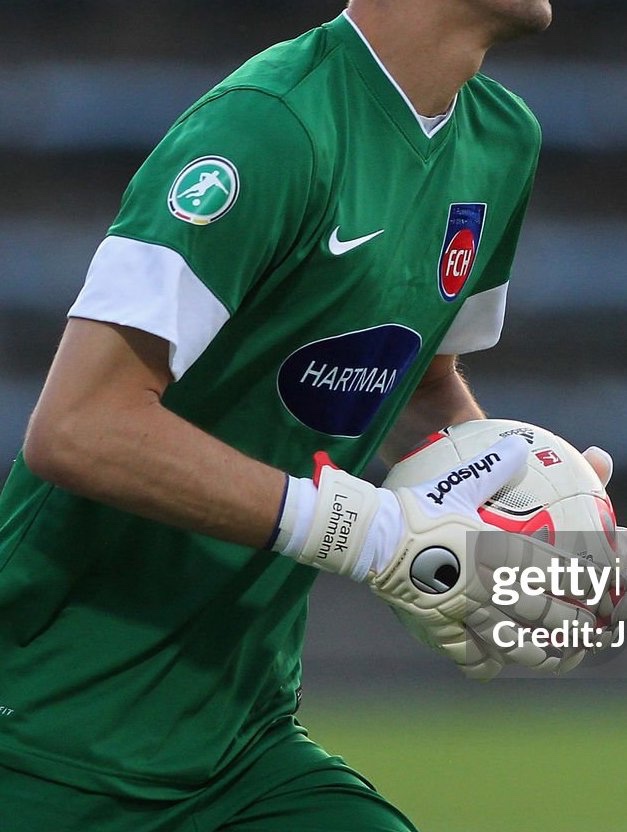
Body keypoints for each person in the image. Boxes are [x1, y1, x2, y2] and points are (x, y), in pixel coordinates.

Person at [0, 0, 599, 829]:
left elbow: (414, 381)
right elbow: (79, 426)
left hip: (242, 739)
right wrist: (379, 538)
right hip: (44, 731)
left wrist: (523, 517)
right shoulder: (266, 128)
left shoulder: (501, 140)